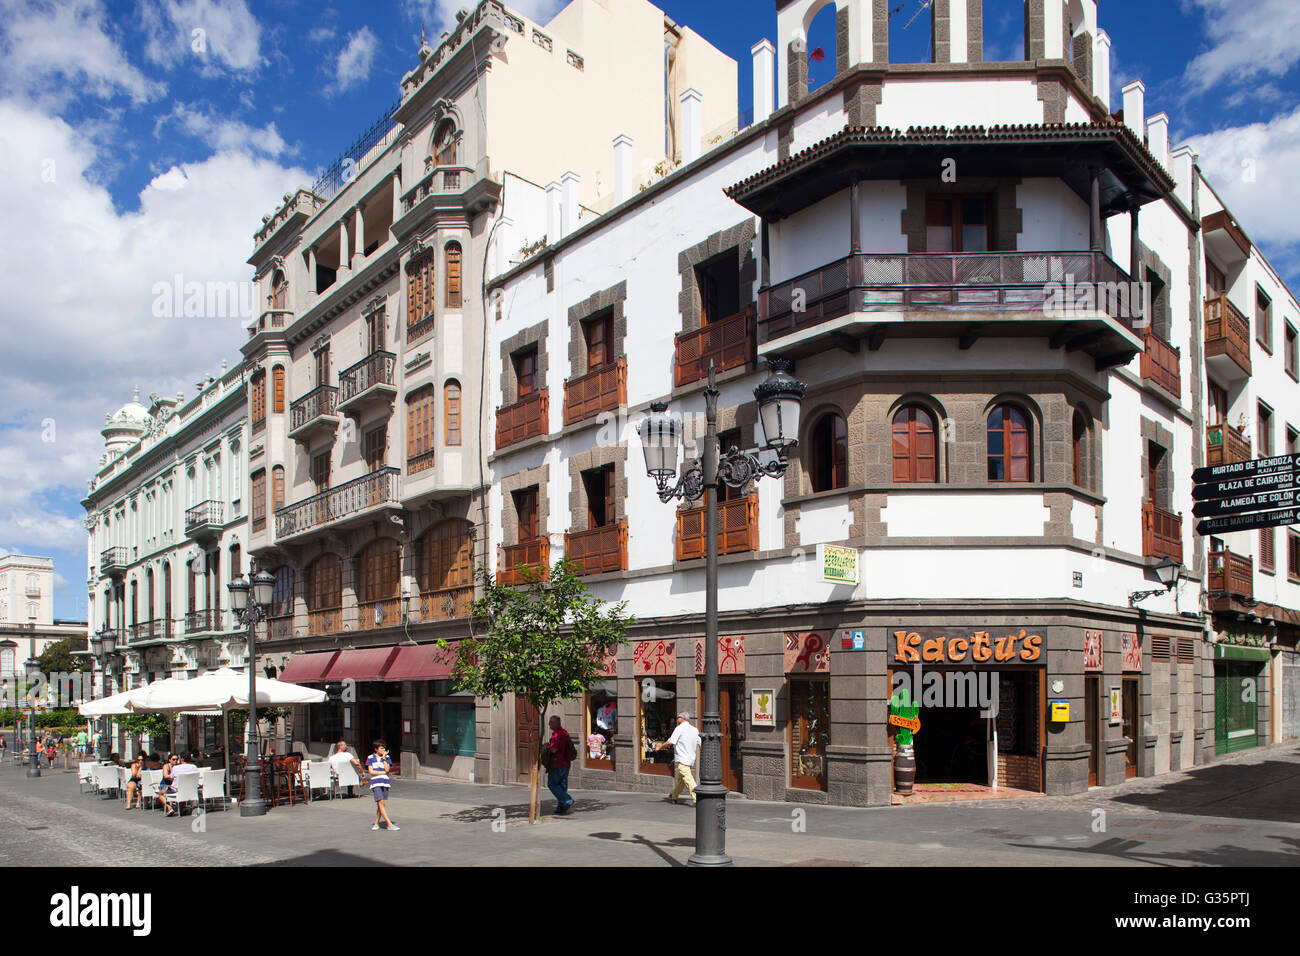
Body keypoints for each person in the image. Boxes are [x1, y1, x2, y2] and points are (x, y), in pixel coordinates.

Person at [656, 711, 700, 806]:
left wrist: (660, 747)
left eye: (678, 717)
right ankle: (674, 795)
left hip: (682, 758)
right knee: (682, 780)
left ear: (681, 718)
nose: (677, 719)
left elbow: (671, 741)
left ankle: (697, 797)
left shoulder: (679, 728)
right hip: (691, 758)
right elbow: (699, 743)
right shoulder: (695, 729)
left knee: (688, 778)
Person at [545, 715, 575, 815]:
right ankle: (561, 808)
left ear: (555, 723)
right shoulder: (564, 732)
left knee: (552, 784)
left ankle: (567, 800)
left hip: (558, 763)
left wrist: (546, 748)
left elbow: (554, 749)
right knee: (562, 786)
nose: (549, 724)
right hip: (566, 763)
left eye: (550, 722)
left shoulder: (558, 734)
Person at [366, 740, 398, 830]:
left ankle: (376, 823)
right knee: (380, 802)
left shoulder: (387, 757)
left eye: (384, 748)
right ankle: (389, 824)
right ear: (376, 749)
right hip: (375, 782)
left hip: (385, 782)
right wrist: (383, 772)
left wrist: (384, 759)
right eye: (381, 748)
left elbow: (387, 769)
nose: (383, 750)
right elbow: (371, 771)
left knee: (381, 804)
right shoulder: (370, 757)